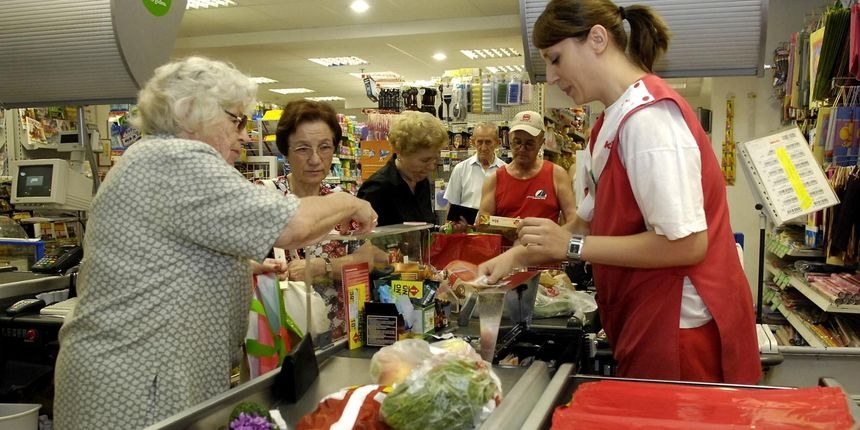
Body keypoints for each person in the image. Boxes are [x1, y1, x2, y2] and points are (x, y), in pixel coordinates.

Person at [53, 56, 378, 429]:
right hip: (141, 380)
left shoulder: (152, 157)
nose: (243, 133)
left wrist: (239, 267)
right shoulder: (176, 158)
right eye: (235, 119)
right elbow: (292, 226)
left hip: (149, 371)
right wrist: (351, 201)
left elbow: (170, 254)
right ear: (190, 111)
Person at [477, 0, 761, 385]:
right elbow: (587, 222)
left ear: (597, 39)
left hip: (682, 324)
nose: (552, 76)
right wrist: (516, 256)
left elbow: (688, 244)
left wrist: (571, 247)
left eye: (556, 58)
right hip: (644, 313)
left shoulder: (649, 122)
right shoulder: (608, 125)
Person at [265, 99, 359, 281]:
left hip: (334, 309)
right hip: (283, 309)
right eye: (302, 149)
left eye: (324, 147)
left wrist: (324, 267)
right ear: (286, 151)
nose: (315, 159)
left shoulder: (340, 199)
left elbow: (370, 259)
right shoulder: (264, 195)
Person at [476, 110, 577, 228]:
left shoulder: (557, 175)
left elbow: (572, 220)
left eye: (529, 144)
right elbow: (483, 222)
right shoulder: (494, 180)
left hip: (544, 246)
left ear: (541, 143)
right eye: (517, 142)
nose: (522, 149)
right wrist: (507, 228)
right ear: (509, 140)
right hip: (505, 247)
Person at [357, 110, 448, 226]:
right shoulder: (376, 189)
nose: (431, 167)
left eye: (435, 159)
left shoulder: (421, 182)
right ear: (401, 152)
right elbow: (366, 239)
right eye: (425, 160)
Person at [443, 122, 506, 228]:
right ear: (472, 142)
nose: (483, 147)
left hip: (494, 233)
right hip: (465, 233)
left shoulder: (505, 171)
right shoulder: (460, 169)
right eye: (479, 142)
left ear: (497, 143)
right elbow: (451, 206)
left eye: (488, 142)